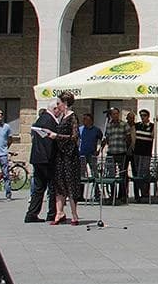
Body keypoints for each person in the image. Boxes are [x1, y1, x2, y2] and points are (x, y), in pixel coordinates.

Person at [49, 93, 82, 225]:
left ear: (65, 103)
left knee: (70, 183)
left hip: (70, 156)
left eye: (59, 103)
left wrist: (57, 136)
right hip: (60, 155)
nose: (58, 106)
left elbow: (74, 137)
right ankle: (59, 212)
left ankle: (74, 214)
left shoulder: (72, 117)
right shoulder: (62, 117)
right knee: (59, 183)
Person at [24, 107, 58, 222]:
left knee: (39, 188)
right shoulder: (50, 120)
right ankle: (52, 213)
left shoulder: (40, 119)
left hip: (37, 158)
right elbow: (49, 142)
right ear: (55, 109)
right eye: (58, 109)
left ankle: (31, 214)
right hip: (47, 159)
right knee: (53, 187)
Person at [101, 107, 130, 204]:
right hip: (111, 152)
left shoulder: (124, 125)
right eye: (113, 114)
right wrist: (102, 146)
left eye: (117, 114)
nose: (115, 115)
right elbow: (107, 138)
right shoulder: (108, 126)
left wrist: (127, 146)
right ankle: (112, 195)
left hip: (122, 152)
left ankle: (122, 195)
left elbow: (129, 138)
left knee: (122, 175)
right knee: (111, 175)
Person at [131, 109, 155, 202]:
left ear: (148, 116)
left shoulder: (152, 126)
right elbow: (133, 139)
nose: (142, 117)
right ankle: (140, 194)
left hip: (146, 153)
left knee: (144, 173)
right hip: (137, 153)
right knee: (137, 172)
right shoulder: (137, 126)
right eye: (141, 115)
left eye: (144, 115)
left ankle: (145, 193)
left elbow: (153, 137)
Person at [76, 113, 101, 201]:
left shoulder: (96, 130)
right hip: (82, 154)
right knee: (81, 174)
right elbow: (77, 140)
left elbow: (103, 140)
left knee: (95, 173)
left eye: (85, 119)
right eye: (83, 119)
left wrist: (99, 150)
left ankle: (97, 193)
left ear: (90, 120)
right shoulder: (80, 129)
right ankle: (80, 194)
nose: (84, 121)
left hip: (92, 154)